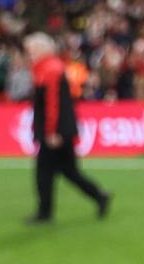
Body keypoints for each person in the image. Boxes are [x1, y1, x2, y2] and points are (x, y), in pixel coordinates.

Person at [24, 32, 110, 224]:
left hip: (57, 131)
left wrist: (51, 131)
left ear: (41, 49)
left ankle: (44, 212)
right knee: (69, 171)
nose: (29, 54)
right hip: (61, 129)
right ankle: (99, 195)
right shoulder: (49, 68)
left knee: (44, 171)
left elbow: (53, 103)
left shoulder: (49, 69)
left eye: (31, 50)